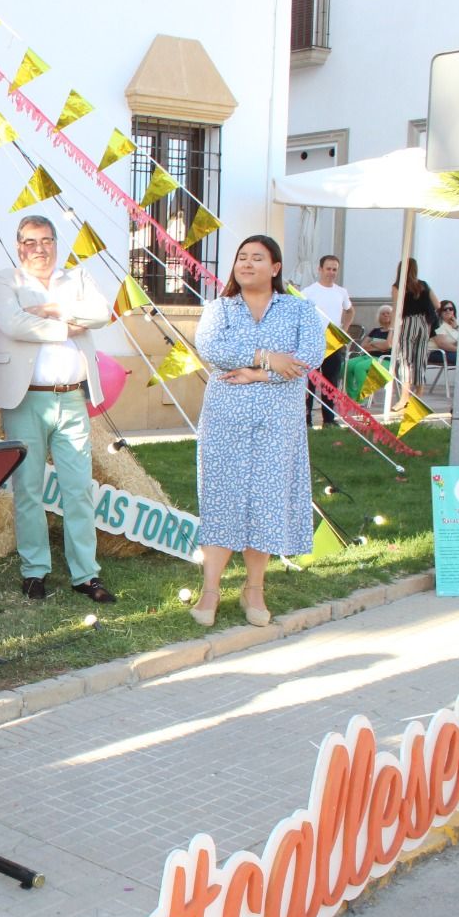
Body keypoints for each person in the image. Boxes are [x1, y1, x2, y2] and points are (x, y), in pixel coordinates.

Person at [188, 235, 325, 629]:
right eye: (241, 257)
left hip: (277, 423)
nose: (246, 264)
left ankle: (254, 588)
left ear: (275, 268)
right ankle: (210, 590)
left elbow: (307, 359)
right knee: (222, 496)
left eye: (257, 258)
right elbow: (212, 347)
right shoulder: (219, 309)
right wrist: (267, 357)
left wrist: (256, 374)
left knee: (265, 500)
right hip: (225, 421)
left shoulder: (300, 311)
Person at [0, 214, 116, 602]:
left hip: (72, 396)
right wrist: (67, 324)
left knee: (78, 490)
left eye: (46, 241)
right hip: (25, 399)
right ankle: (34, 570)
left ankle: (85, 574)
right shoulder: (5, 280)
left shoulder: (78, 278)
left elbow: (102, 314)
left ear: (56, 243)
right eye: (30, 242)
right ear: (18, 245)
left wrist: (51, 309)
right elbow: (12, 322)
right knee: (28, 488)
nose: (39, 249)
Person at [300, 254, 352, 427]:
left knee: (331, 382)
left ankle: (329, 419)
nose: (331, 272)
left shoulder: (341, 292)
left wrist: (344, 330)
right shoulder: (308, 292)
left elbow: (350, 310)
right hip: (313, 342)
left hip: (334, 343)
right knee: (310, 381)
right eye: (328, 269)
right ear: (320, 269)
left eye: (334, 269)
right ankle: (306, 419)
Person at [393, 258, 440, 399]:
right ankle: (419, 394)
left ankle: (405, 395)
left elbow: (397, 308)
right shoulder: (423, 285)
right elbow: (437, 304)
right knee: (420, 358)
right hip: (424, 323)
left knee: (405, 359)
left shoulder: (398, 286)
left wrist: (393, 329)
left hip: (408, 321)